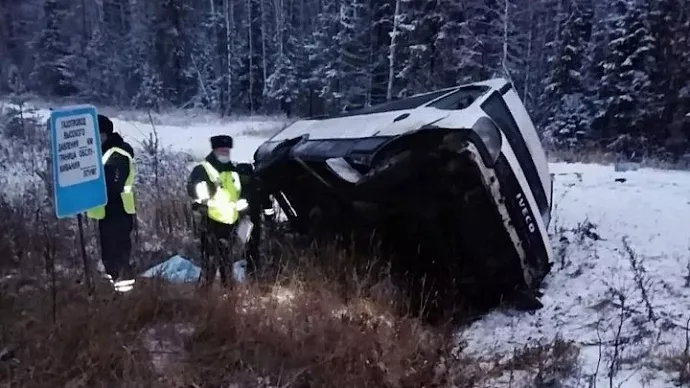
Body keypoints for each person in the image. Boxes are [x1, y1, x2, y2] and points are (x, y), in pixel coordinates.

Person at [187, 135, 249, 288]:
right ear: (214, 150)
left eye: (227, 150)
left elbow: (238, 193)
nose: (225, 152)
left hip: (230, 222)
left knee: (227, 262)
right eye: (222, 150)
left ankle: (227, 295)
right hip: (210, 221)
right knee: (210, 262)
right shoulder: (202, 169)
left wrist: (242, 211)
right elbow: (195, 193)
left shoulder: (233, 171)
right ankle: (204, 297)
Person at [86, 114, 137, 292]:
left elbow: (111, 185)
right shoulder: (104, 153)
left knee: (118, 257)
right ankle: (113, 292)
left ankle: (126, 298)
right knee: (110, 256)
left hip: (118, 212)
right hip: (108, 213)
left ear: (103, 134)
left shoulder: (118, 155)